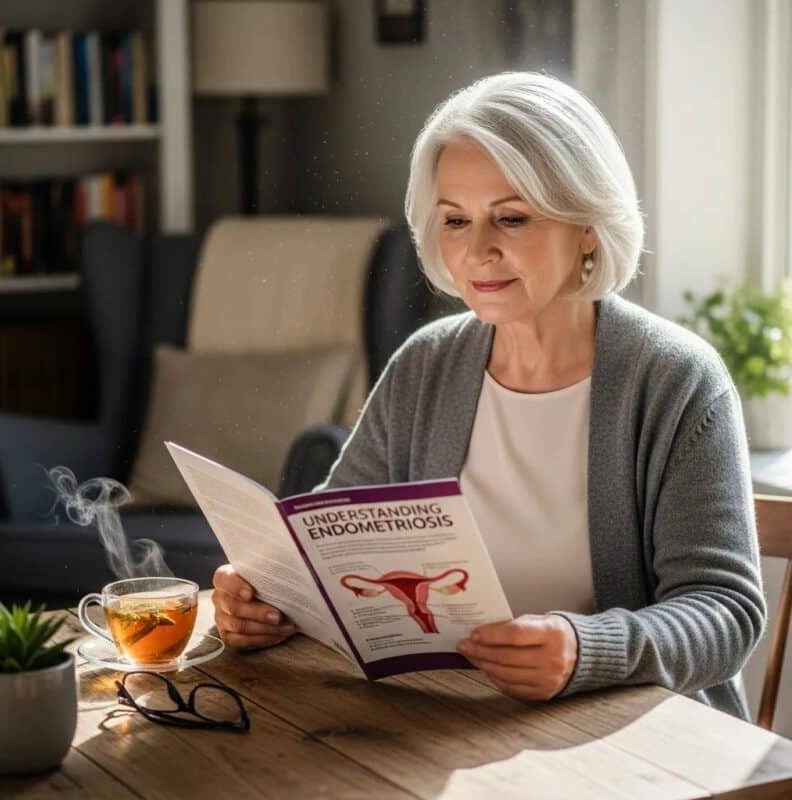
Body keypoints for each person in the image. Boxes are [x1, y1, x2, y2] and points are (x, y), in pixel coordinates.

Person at [211, 71, 766, 719]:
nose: (477, 251)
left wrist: (586, 649)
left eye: (511, 217)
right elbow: (329, 548)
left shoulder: (675, 380)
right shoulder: (425, 364)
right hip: (449, 723)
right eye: (455, 220)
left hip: (635, 741)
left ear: (587, 225)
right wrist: (265, 597)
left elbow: (726, 613)